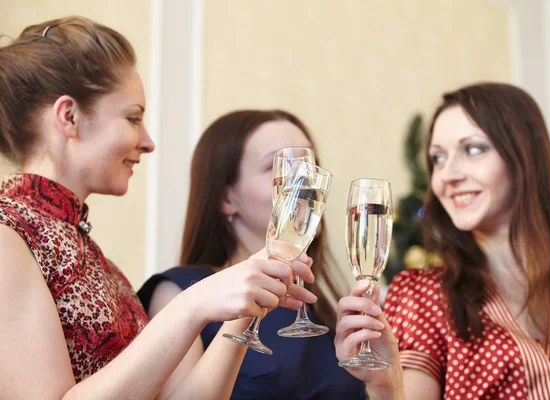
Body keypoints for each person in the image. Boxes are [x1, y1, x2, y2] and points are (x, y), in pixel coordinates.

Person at [0, 16, 316, 399]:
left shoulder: (95, 259)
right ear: (69, 117)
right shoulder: (8, 233)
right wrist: (191, 304)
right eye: (133, 118)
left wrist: (248, 308)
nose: (148, 141)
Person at [334, 82, 550, 399]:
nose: (447, 175)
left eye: (473, 149)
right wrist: (385, 387)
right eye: (438, 158)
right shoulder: (423, 296)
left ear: (525, 157)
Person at [138, 109, 366, 399]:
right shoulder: (178, 292)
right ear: (226, 198)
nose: (304, 183)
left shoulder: (317, 306)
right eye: (278, 167)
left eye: (310, 166)